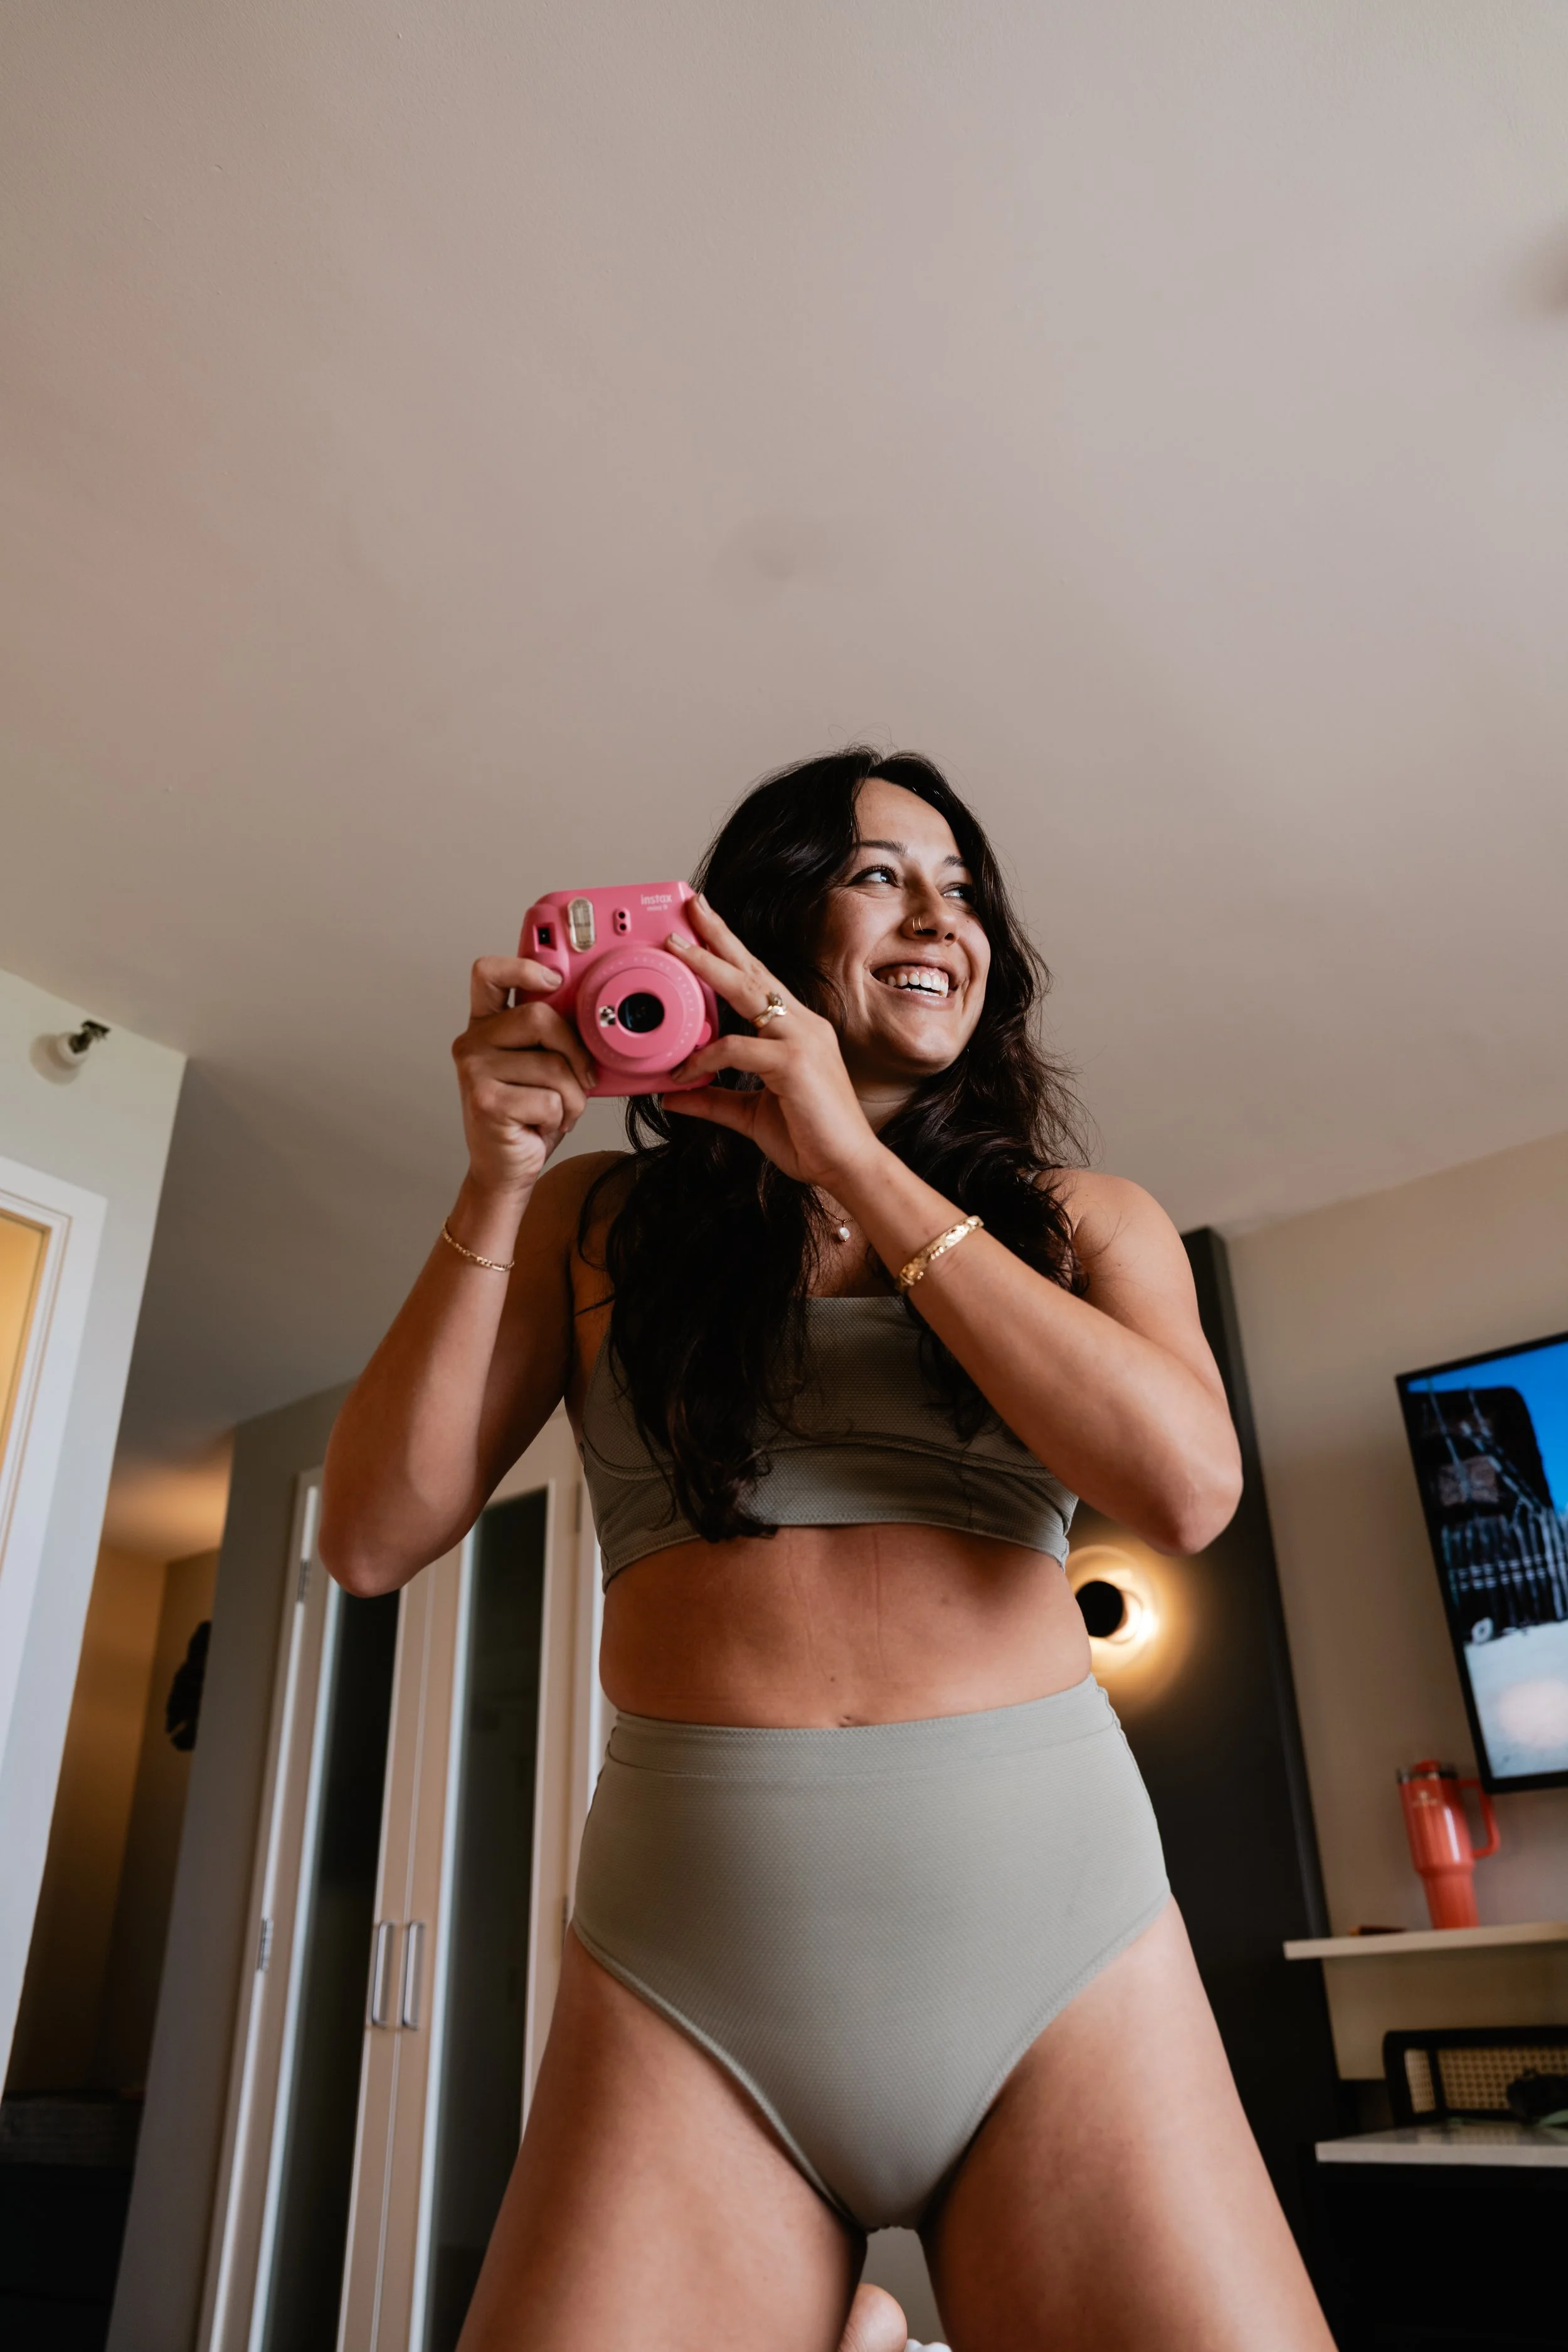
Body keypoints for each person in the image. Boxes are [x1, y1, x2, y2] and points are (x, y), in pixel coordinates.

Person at [321, 750, 1333, 2352]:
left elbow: (1189, 1489)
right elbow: (371, 1539)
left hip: (1059, 1954)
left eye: (964, 887)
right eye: (882, 875)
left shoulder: (1085, 1220)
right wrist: (495, 1180)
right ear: (759, 922)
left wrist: (851, 1160)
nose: (945, 915)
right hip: (688, 1973)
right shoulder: (599, 1226)